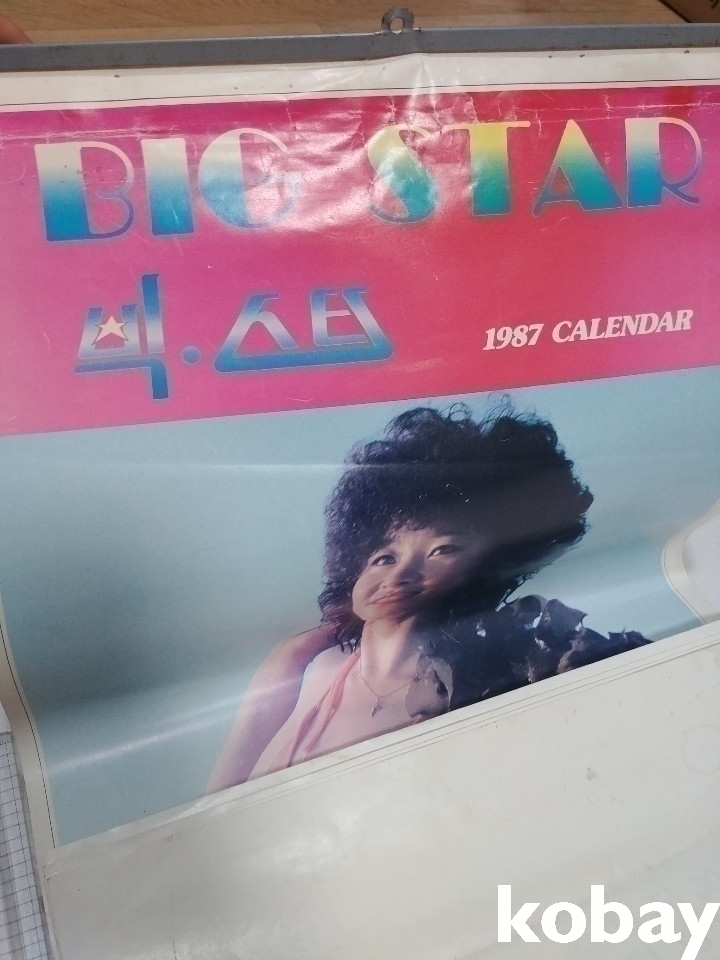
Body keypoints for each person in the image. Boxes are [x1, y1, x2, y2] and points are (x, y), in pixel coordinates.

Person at [207, 403, 648, 792]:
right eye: (383, 556)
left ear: (489, 568)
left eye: (443, 550)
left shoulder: (477, 691)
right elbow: (214, 810)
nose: (400, 574)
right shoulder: (309, 668)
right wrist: (291, 654)